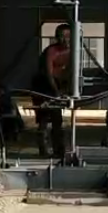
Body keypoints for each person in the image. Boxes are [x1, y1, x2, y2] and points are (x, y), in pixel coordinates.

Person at [30, 24, 70, 157]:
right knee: (44, 117)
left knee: (57, 118)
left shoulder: (73, 52)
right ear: (56, 38)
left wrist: (65, 89)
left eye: (68, 36)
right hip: (42, 85)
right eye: (62, 36)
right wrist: (56, 92)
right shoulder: (51, 51)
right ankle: (43, 150)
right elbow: (48, 74)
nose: (65, 40)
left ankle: (59, 150)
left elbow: (71, 72)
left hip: (57, 84)